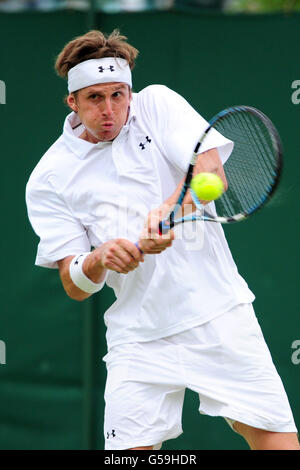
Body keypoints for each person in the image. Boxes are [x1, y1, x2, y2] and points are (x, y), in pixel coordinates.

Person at [26, 29, 299, 451]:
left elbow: (211, 174)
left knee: (275, 444)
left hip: (219, 314)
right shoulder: (49, 178)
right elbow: (73, 284)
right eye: (95, 98)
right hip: (137, 337)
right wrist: (100, 258)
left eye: (118, 95)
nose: (110, 110)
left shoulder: (157, 103)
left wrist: (170, 208)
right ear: (72, 102)